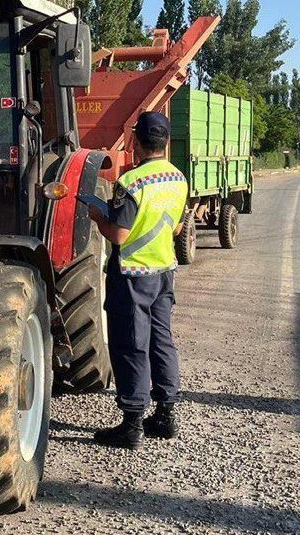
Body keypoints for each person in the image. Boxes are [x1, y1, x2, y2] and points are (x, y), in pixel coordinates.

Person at [86, 111, 189, 450]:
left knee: (131, 344)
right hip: (164, 272)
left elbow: (118, 234)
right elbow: (174, 228)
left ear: (135, 142)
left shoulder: (131, 183)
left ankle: (131, 424)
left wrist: (98, 215)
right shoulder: (178, 178)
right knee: (162, 340)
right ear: (166, 141)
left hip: (132, 274)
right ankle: (166, 415)